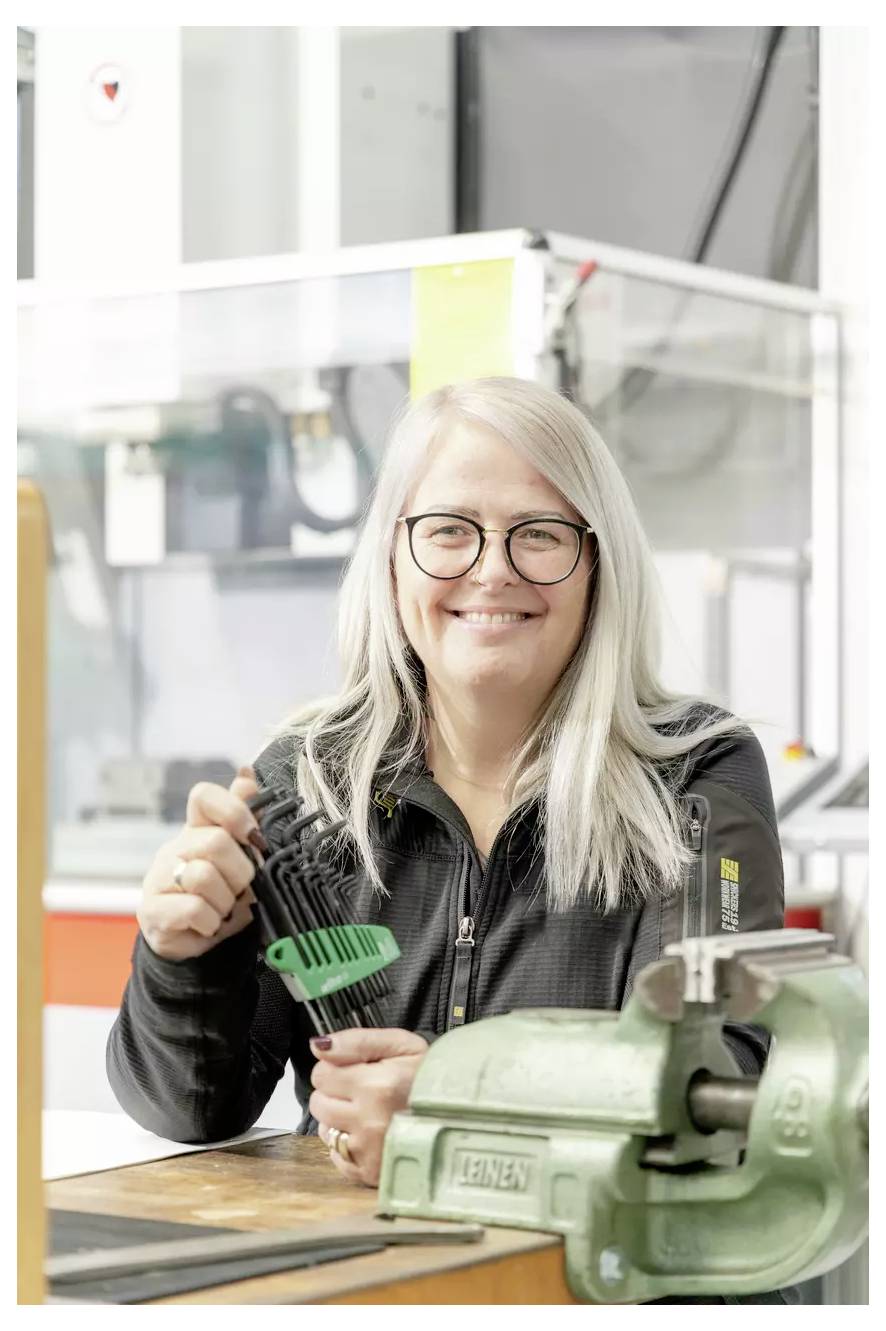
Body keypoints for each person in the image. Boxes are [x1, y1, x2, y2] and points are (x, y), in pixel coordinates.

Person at [108, 377, 793, 1301]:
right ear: (394, 557)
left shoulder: (696, 774)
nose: (492, 569)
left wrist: (465, 1107)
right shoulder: (302, 783)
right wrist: (183, 956)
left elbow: (727, 1087)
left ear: (599, 565)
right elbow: (190, 1108)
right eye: (449, 529)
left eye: (539, 534)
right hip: (378, 1291)